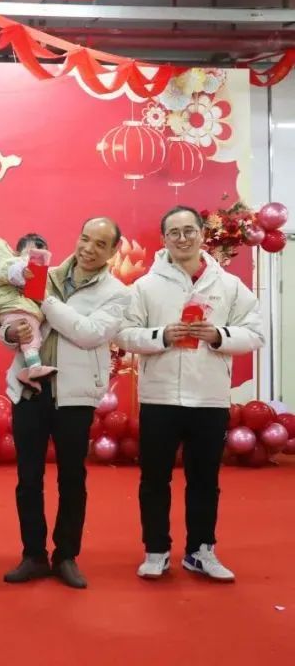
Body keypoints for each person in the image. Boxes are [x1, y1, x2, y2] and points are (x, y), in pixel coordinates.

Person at [117, 206, 264, 582]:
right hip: (160, 398)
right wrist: (161, 335)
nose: (182, 239)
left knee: (204, 481)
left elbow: (255, 333)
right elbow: (123, 333)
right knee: (154, 479)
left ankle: (201, 551)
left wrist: (219, 335)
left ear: (201, 234)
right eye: (174, 233)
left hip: (209, 398)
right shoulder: (146, 286)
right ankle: (156, 550)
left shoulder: (229, 285)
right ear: (164, 239)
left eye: (188, 231)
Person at [0, 217, 129, 589]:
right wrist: (10, 332)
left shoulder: (117, 293)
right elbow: (10, 316)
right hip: (29, 390)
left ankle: (66, 556)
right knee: (28, 479)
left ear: (112, 251)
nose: (88, 249)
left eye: (100, 244)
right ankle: (33, 555)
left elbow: (88, 334)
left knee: (72, 479)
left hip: (75, 397)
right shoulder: (44, 273)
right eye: (85, 238)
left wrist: (46, 300)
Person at [0, 233, 57, 386]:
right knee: (30, 333)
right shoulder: (12, 263)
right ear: (17, 253)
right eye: (31, 252)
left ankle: (30, 372)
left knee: (32, 335)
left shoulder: (50, 278)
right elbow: (9, 270)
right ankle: (34, 368)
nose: (34, 259)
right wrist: (23, 270)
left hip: (27, 313)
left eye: (41, 254)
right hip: (16, 309)